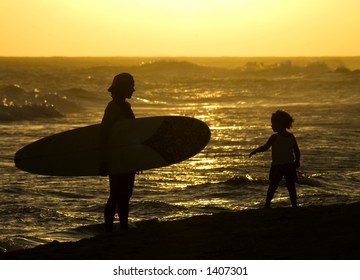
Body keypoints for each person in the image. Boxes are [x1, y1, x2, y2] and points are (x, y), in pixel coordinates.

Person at [99, 73, 136, 232]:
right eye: (130, 86)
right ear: (122, 88)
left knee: (126, 195)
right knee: (115, 195)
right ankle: (108, 230)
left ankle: (123, 228)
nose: (133, 89)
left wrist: (138, 159)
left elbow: (130, 134)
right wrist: (104, 160)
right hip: (117, 158)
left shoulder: (126, 106)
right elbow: (104, 133)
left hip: (128, 157)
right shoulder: (113, 107)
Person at [249, 110, 300, 208]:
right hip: (288, 165)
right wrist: (297, 161)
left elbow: (265, 147)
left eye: (273, 123)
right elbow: (297, 151)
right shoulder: (290, 136)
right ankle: (293, 205)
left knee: (274, 185)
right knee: (288, 186)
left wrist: (255, 151)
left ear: (280, 124)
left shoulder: (275, 137)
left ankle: (268, 205)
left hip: (280, 165)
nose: (271, 126)